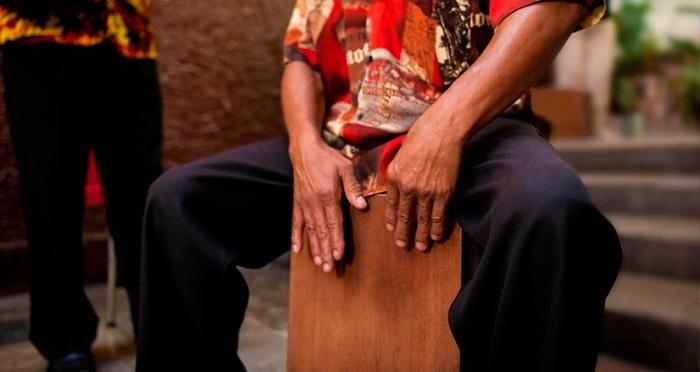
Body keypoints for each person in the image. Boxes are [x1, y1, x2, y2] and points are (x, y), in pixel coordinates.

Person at [137, 0, 621, 371]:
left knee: (551, 213)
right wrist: (304, 148)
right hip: (341, 140)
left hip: (476, 128)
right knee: (178, 204)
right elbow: (298, 58)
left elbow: (551, 10)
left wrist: (443, 128)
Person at [0, 1, 162, 371]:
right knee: (48, 193)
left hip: (125, 34)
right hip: (37, 37)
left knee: (141, 195)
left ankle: (158, 328)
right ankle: (64, 340)